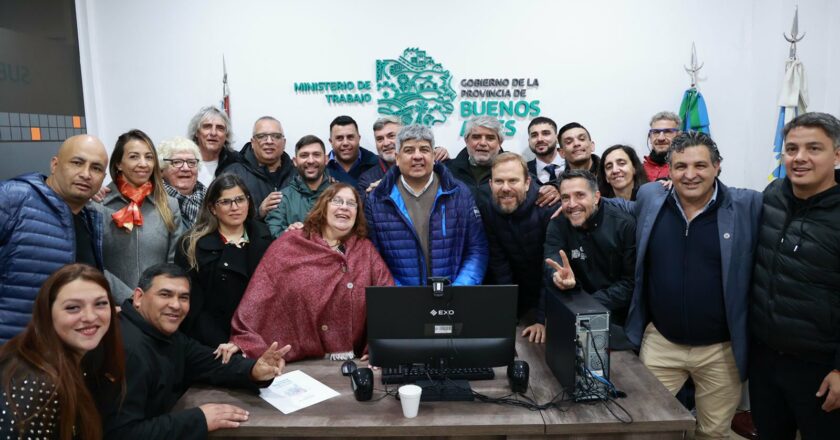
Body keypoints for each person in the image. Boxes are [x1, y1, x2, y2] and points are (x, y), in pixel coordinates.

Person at [622, 132, 761, 439]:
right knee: (646, 427)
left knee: (712, 433)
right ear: (668, 170)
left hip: (721, 351)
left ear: (717, 166)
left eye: (700, 165)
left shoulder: (747, 204)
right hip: (662, 343)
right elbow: (612, 207)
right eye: (680, 166)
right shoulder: (650, 197)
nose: (690, 174)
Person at [102, 263, 291, 439]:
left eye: (183, 297)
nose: (176, 305)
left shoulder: (162, 332)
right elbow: (122, 434)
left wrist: (254, 370)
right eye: (165, 295)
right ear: (138, 297)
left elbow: (210, 362)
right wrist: (199, 419)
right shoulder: (127, 349)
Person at [750, 112, 840, 439]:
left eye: (814, 148)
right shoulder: (772, 197)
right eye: (791, 149)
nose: (800, 158)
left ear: (837, 154)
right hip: (765, 360)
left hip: (819, 369)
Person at [231, 183, 394, 361]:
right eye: (337, 201)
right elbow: (261, 291)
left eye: (351, 203)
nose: (344, 207)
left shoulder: (365, 249)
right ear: (323, 206)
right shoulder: (292, 242)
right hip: (298, 360)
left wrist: (380, 345)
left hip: (350, 360)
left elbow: (387, 298)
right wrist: (244, 340)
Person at [0, 135, 107, 343]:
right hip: (11, 353)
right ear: (55, 164)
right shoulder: (14, 198)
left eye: (96, 168)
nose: (86, 174)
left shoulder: (91, 220)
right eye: (77, 163)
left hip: (60, 355)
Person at [0, 264, 125, 440]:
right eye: (73, 307)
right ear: (47, 313)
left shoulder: (84, 360)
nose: (90, 317)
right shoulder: (37, 383)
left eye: (100, 304)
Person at [525, 170, 635, 349]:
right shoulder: (557, 224)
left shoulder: (624, 225)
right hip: (570, 315)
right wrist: (557, 276)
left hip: (617, 321)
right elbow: (552, 259)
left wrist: (589, 306)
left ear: (596, 197)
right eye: (565, 198)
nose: (572, 204)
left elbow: (630, 283)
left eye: (580, 195)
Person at [366, 124, 488, 286]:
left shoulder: (459, 193)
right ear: (397, 158)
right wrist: (396, 291)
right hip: (400, 301)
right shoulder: (377, 199)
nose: (417, 156)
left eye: (424, 149)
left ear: (433, 155)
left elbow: (477, 249)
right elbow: (372, 257)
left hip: (453, 299)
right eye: (409, 150)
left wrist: (460, 289)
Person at [175, 174, 272, 349]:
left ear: (248, 202)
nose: (235, 207)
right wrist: (224, 343)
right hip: (212, 342)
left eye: (240, 200)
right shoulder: (191, 245)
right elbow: (194, 306)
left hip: (259, 337)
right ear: (212, 208)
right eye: (225, 202)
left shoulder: (264, 236)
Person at [98, 129, 183, 302]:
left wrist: (155, 298)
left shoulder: (169, 205)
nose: (143, 164)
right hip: (113, 305)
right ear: (118, 164)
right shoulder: (98, 205)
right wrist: (129, 299)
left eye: (149, 157)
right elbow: (94, 262)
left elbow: (174, 261)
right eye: (134, 157)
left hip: (157, 304)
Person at [478, 152, 553, 324]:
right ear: (490, 184)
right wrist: (509, 312)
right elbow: (499, 265)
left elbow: (551, 269)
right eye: (499, 181)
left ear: (527, 183)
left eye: (513, 181)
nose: (505, 188)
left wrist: (542, 320)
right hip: (521, 301)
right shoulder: (487, 211)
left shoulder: (548, 209)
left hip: (551, 299)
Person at [221, 116, 295, 219]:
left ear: (284, 143)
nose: (269, 141)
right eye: (261, 136)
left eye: (276, 136)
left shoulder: (297, 174)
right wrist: (258, 212)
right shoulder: (233, 174)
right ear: (252, 142)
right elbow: (223, 215)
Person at [356, 116, 449, 194]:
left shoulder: (431, 163)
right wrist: (372, 197)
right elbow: (361, 210)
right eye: (380, 139)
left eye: (391, 136)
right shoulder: (367, 179)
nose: (386, 143)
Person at [265, 135, 331, 238]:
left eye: (316, 155)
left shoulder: (339, 194)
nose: (310, 160)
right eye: (304, 155)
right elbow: (273, 232)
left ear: (326, 159)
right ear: (295, 161)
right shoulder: (282, 198)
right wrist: (289, 233)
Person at [158, 136, 206, 229]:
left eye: (191, 162)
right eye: (177, 162)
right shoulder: (152, 202)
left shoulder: (212, 200)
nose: (186, 168)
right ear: (161, 170)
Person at [186, 106, 240, 186]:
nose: (213, 133)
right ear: (197, 132)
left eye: (220, 128)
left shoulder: (237, 161)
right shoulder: (182, 161)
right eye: (207, 127)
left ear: (226, 135)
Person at [325, 115, 379, 187]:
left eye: (350, 137)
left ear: (359, 139)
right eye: (339, 138)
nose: (345, 143)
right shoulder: (321, 168)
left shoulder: (377, 164)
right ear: (331, 142)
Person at [526, 116, 565, 185]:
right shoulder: (523, 171)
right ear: (529, 141)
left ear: (557, 138)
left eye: (545, 133)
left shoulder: (573, 165)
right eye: (534, 135)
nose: (539, 139)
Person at [644, 111, 681, 181]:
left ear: (679, 136)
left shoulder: (686, 170)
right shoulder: (637, 170)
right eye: (656, 132)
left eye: (667, 132)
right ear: (650, 137)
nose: (661, 138)